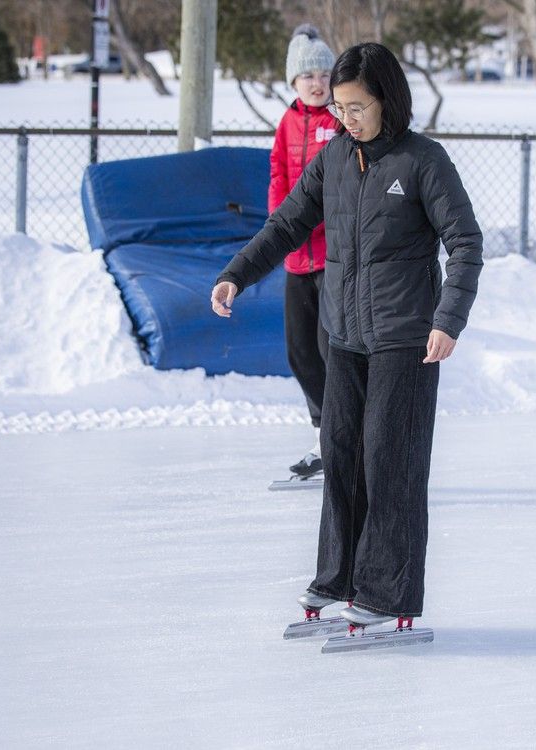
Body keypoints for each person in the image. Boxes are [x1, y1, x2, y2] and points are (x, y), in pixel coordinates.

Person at [211, 42, 483, 628]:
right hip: (345, 335)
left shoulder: (422, 160)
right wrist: (237, 273)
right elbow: (287, 223)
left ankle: (388, 594)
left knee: (391, 462)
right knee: (340, 458)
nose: (346, 118)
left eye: (357, 106)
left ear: (387, 99)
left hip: (405, 338)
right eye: (339, 107)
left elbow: (465, 243)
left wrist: (447, 319)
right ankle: (339, 579)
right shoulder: (334, 158)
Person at [270, 24, 341, 477]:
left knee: (330, 347)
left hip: (334, 255)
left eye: (323, 74)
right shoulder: (288, 122)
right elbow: (278, 174)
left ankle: (342, 436)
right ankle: (325, 433)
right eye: (307, 76)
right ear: (294, 82)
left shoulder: (339, 121)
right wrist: (281, 226)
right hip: (298, 257)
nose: (316, 83)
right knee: (300, 352)